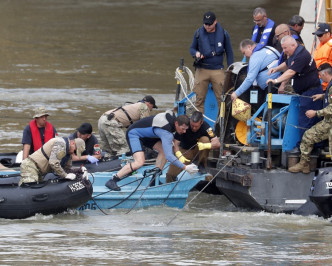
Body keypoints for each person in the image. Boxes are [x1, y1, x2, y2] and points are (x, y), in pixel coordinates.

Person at [105, 111, 199, 191]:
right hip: (134, 134)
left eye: (186, 129)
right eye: (183, 129)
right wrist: (185, 168)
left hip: (148, 135)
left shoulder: (174, 118)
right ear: (176, 124)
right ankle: (112, 180)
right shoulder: (166, 133)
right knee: (139, 162)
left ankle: (154, 179)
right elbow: (169, 156)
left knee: (163, 150)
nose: (184, 132)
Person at [267, 36, 323, 150]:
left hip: (311, 92)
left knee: (305, 121)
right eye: (283, 48)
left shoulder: (302, 55)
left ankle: (303, 149)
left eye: (285, 48)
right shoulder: (294, 53)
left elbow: (291, 71)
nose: (284, 51)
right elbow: (288, 64)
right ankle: (311, 148)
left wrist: (276, 80)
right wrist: (276, 69)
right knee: (308, 121)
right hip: (305, 92)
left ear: (293, 45)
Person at [289, 63, 332, 173]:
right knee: (308, 136)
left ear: (325, 73)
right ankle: (304, 164)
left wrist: (316, 113)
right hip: (328, 122)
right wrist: (322, 96)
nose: (319, 77)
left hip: (329, 123)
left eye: (320, 75)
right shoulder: (330, 85)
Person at [189, 11, 234, 114]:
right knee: (199, 100)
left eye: (210, 24)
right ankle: (199, 124)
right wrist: (196, 53)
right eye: (205, 24)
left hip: (218, 70)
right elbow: (192, 48)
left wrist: (230, 70)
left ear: (215, 22)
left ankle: (221, 125)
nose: (207, 26)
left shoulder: (224, 34)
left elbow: (229, 52)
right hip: (202, 70)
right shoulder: (198, 33)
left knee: (222, 99)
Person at [166, 111, 220, 183]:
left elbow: (217, 143)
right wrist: (178, 154)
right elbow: (175, 143)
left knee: (205, 140)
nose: (194, 128)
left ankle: (201, 164)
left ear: (201, 122)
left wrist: (207, 145)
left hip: (198, 150)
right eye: (192, 126)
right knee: (171, 174)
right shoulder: (185, 124)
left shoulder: (206, 127)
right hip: (185, 150)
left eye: (196, 126)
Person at [19, 137, 86, 186]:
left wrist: (79, 170)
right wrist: (65, 175)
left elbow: (66, 169)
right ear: (73, 143)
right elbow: (53, 162)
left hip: (39, 172)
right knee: (30, 188)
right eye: (75, 151)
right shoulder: (61, 144)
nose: (73, 153)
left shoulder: (69, 153)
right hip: (31, 166)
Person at [231, 39, 280, 103]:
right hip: (279, 81)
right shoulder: (268, 48)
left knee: (267, 111)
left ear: (249, 47)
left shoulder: (255, 56)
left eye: (244, 53)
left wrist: (236, 93)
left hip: (272, 86)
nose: (245, 56)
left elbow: (250, 79)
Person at [312, 23, 332, 91]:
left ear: (328, 34)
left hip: (328, 84)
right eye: (317, 35)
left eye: (320, 35)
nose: (318, 37)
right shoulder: (320, 46)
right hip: (320, 82)